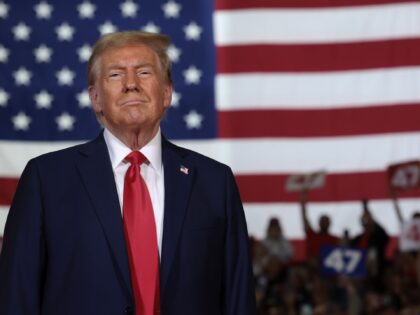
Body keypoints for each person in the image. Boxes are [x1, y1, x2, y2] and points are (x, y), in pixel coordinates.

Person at [0, 31, 256, 315]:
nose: (131, 84)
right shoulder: (45, 179)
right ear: (95, 98)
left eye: (144, 72)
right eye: (115, 75)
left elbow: (238, 296)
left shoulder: (214, 182)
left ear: (167, 93)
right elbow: (17, 295)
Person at [299, 188, 339, 263]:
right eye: (322, 221)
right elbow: (304, 217)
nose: (324, 223)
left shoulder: (335, 239)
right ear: (319, 223)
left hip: (329, 269)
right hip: (313, 269)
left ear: (329, 224)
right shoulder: (312, 235)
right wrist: (303, 202)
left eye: (326, 221)